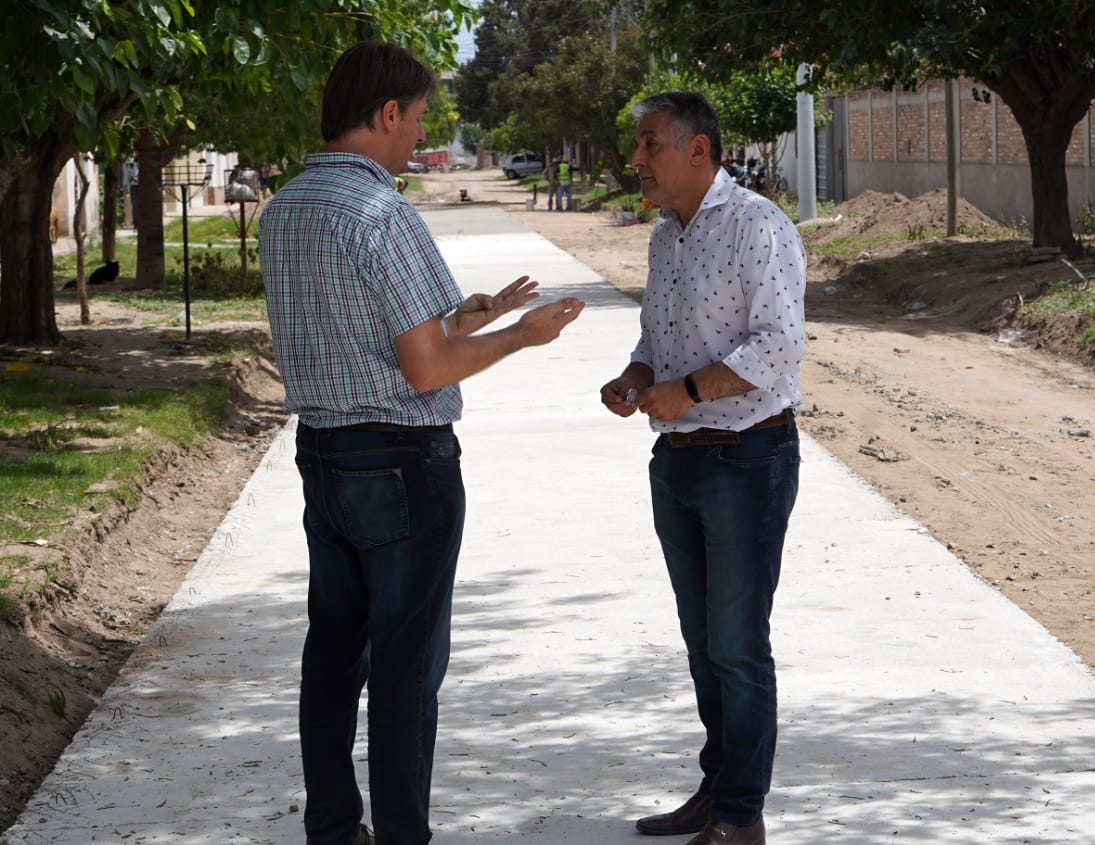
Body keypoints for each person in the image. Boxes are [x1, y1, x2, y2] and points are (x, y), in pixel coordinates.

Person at [258, 41, 585, 845]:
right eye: (417, 120)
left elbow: (379, 337)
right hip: (402, 463)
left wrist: (467, 319)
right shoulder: (382, 212)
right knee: (406, 666)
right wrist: (521, 335)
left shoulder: (286, 208)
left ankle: (335, 827)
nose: (419, 137)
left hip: (324, 454)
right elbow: (426, 366)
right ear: (387, 113)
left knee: (333, 654)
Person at [599, 91, 805, 845]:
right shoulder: (666, 237)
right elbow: (655, 340)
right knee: (703, 644)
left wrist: (685, 391)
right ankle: (718, 790)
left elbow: (778, 346)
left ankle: (741, 817)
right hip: (677, 460)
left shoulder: (758, 225)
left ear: (698, 150)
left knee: (738, 646)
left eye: (650, 144)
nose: (636, 160)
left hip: (747, 457)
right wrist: (635, 377)